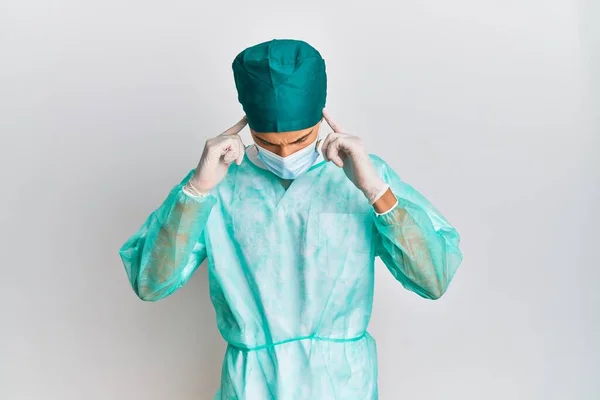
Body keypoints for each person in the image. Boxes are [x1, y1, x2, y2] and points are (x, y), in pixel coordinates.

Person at [120, 39, 463, 400]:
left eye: (300, 139)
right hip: (251, 385)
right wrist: (196, 189)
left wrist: (376, 191)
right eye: (268, 142)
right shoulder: (217, 185)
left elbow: (432, 279)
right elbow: (151, 284)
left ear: (322, 117)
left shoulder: (361, 178)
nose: (285, 153)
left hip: (341, 386)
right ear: (246, 124)